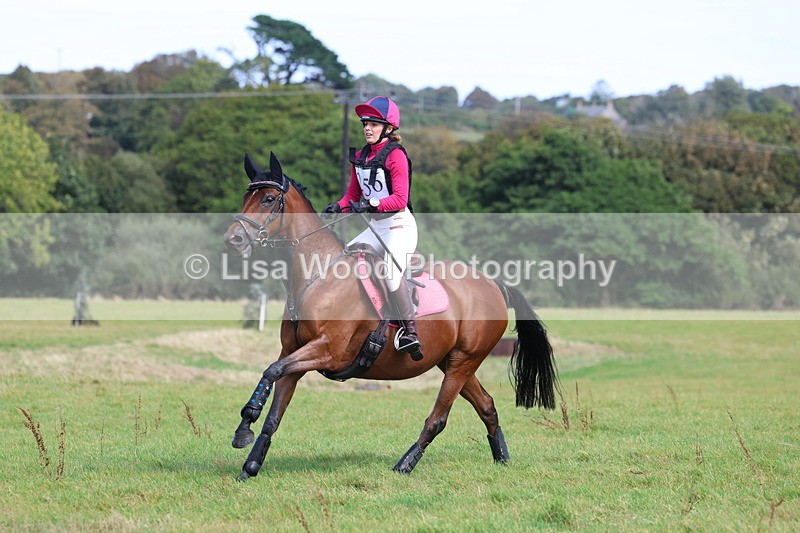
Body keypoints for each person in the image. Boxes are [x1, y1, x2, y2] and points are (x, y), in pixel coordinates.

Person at [323, 96, 421, 358]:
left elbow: (400, 199)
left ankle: (410, 331)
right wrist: (338, 206)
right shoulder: (361, 157)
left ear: (388, 128)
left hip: (398, 224)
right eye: (365, 123)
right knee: (342, 263)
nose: (367, 128)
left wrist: (370, 204)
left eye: (374, 124)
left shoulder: (396, 156)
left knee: (390, 272)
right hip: (376, 226)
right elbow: (352, 196)